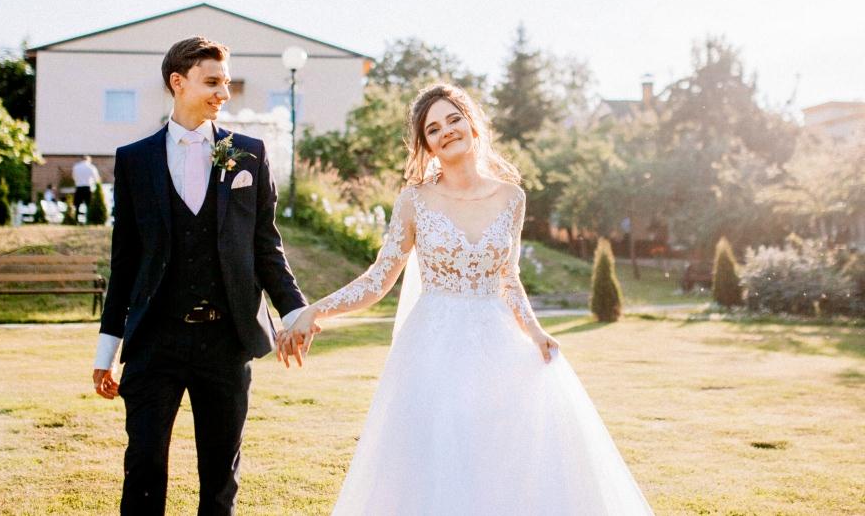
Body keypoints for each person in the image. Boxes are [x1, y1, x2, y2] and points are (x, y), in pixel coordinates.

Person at [278, 84, 655, 515]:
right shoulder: (414, 201)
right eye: (433, 129)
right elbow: (379, 279)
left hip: (498, 344)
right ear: (426, 145)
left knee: (504, 455)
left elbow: (508, 277)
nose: (446, 131)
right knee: (439, 457)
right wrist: (315, 310)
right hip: (433, 347)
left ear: (472, 123)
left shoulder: (512, 198)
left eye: (453, 119)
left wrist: (535, 331)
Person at [91, 36, 311, 515]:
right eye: (212, 82)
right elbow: (124, 262)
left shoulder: (249, 154)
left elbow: (266, 247)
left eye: (225, 83)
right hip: (154, 341)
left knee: (220, 478)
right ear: (178, 82)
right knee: (143, 467)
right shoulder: (134, 160)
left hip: (226, 342)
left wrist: (295, 312)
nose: (223, 93)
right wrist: (107, 351)